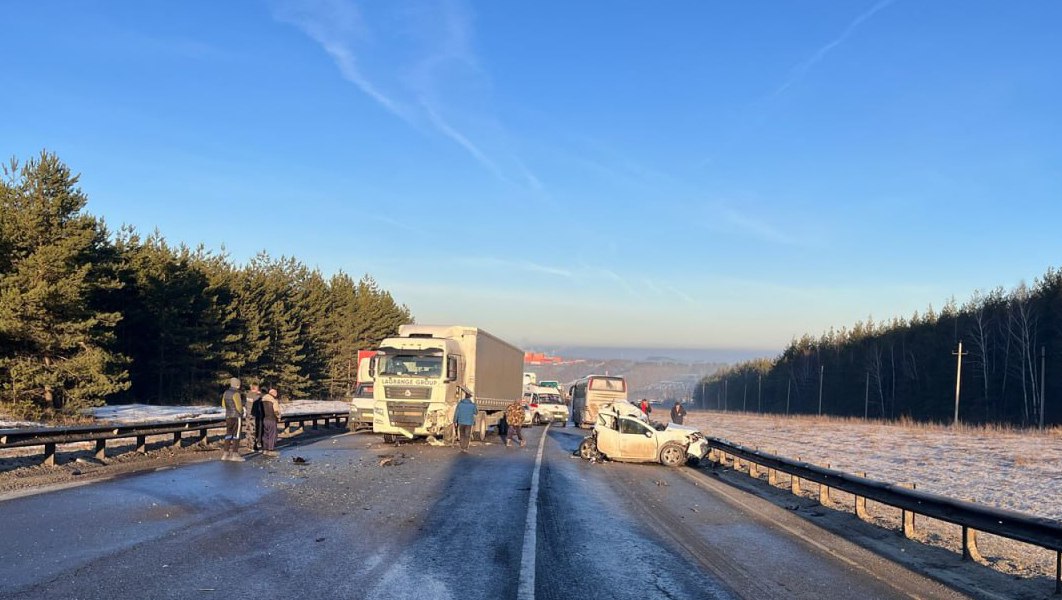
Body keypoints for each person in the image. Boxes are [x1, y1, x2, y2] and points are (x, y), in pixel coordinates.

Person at [221, 377, 245, 461]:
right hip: (236, 416)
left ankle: (225, 453)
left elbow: (223, 405)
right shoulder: (236, 393)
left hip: (228, 416)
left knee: (228, 434)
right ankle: (235, 454)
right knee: (237, 435)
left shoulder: (225, 392)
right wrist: (241, 412)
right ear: (237, 385)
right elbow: (239, 406)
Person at [260, 387, 282, 457]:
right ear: (273, 393)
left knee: (265, 435)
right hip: (271, 419)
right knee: (272, 434)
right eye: (276, 393)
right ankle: (271, 450)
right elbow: (276, 411)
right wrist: (278, 417)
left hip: (264, 419)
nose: (276, 394)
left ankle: (265, 449)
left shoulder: (262, 400)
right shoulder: (274, 401)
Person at [246, 383, 263, 451]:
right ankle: (253, 446)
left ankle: (249, 445)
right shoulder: (256, 395)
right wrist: (259, 394)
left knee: (248, 430)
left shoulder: (248, 394)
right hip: (254, 415)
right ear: (255, 388)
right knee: (253, 431)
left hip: (248, 414)